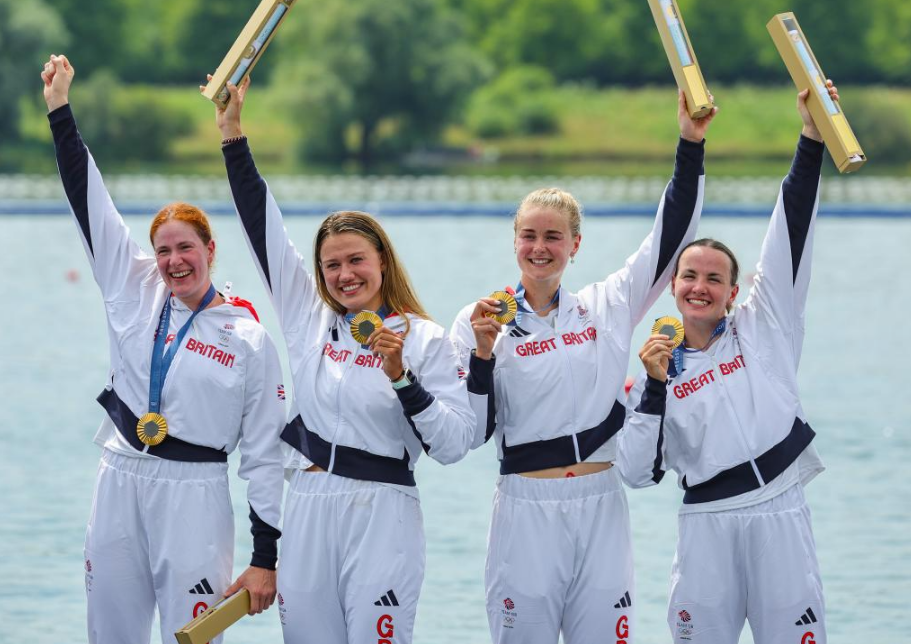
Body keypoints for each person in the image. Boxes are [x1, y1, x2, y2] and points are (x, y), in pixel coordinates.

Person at [208, 77, 476, 644]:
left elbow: (454, 446)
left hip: (383, 511)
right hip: (306, 508)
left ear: (382, 260)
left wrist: (404, 379)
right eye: (331, 266)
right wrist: (233, 134)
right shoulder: (309, 319)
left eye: (356, 259)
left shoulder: (424, 339)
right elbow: (264, 230)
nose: (344, 275)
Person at [449, 91, 714, 644]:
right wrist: (480, 355)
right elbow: (470, 433)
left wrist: (690, 144)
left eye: (553, 237)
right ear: (514, 242)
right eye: (529, 235)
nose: (540, 248)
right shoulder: (480, 320)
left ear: (575, 244)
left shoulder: (606, 304)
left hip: (600, 502)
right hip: (525, 506)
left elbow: (670, 237)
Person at [42, 55, 286, 644]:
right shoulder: (133, 285)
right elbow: (88, 199)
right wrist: (59, 110)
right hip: (120, 475)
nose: (174, 260)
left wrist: (266, 555)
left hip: (196, 494)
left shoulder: (248, 335)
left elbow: (264, 456)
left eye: (186, 248)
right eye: (163, 249)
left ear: (210, 249)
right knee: (111, 634)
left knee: (193, 638)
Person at [619, 84, 838, 644]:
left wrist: (811, 136)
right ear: (672, 287)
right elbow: (636, 473)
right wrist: (652, 388)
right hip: (706, 526)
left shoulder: (765, 325)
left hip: (779, 513)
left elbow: (790, 227)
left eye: (715, 278)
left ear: (734, 291)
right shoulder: (652, 370)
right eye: (689, 276)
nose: (700, 287)